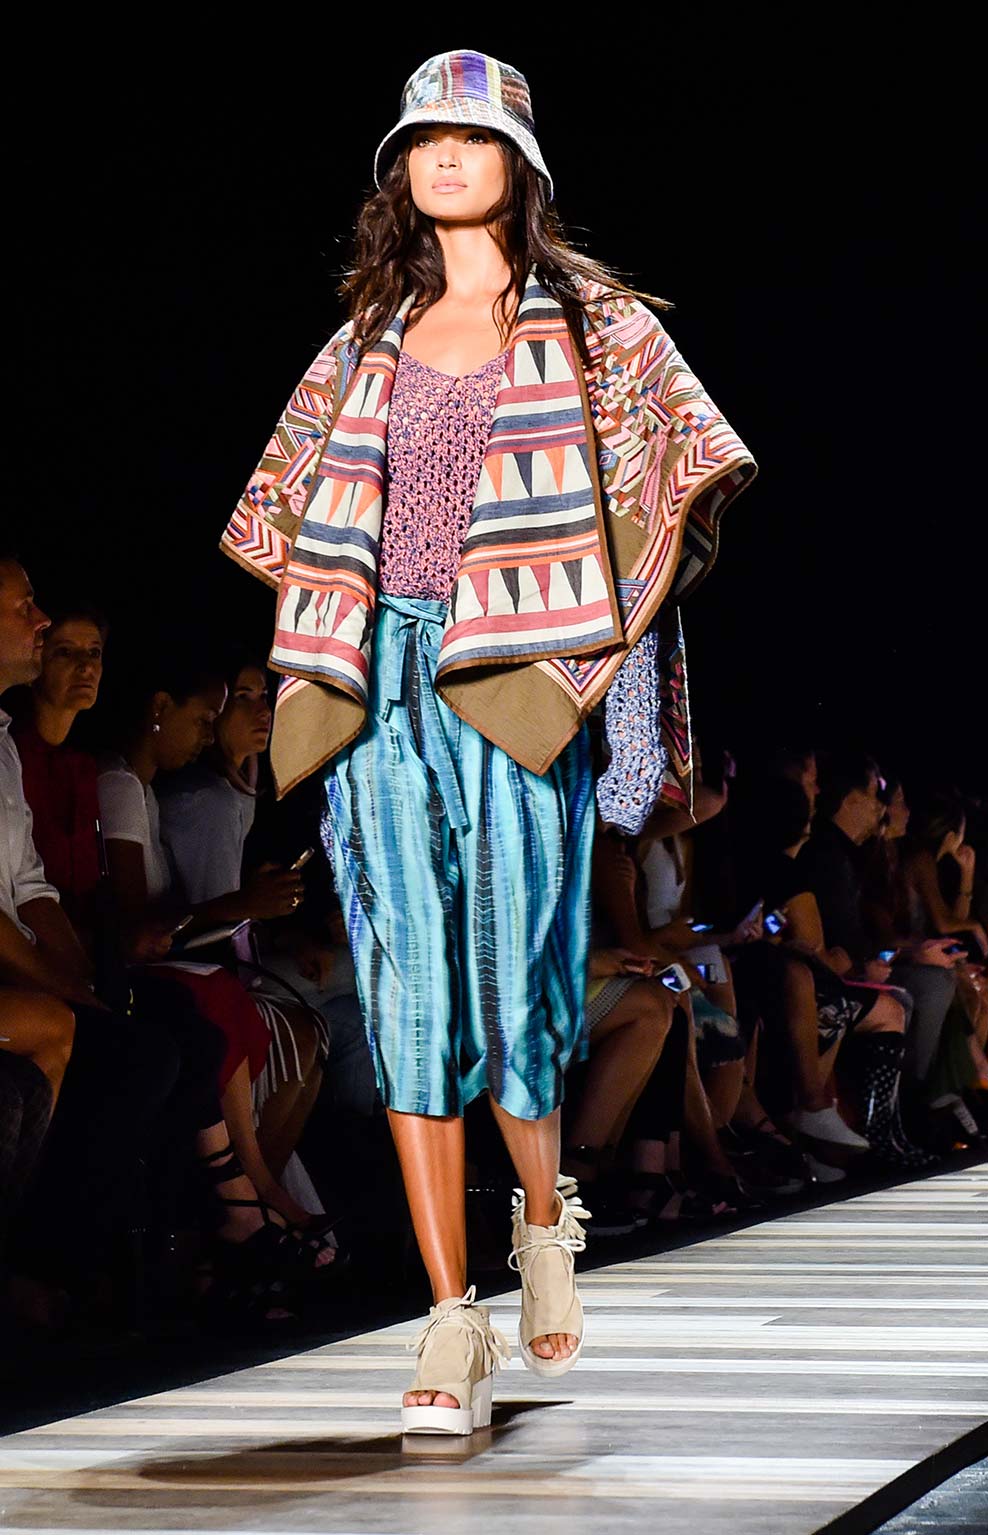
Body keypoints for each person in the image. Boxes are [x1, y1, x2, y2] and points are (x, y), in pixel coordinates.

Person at [220, 49, 756, 1434]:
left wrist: (592, 643)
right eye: (422, 140)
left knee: (521, 978)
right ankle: (449, 1316)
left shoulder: (593, 324)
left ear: (520, 164)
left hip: (511, 672)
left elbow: (684, 472)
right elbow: (289, 513)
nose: (444, 157)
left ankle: (543, 1216)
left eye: (471, 137)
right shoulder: (365, 339)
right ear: (399, 169)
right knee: (408, 986)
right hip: (383, 676)